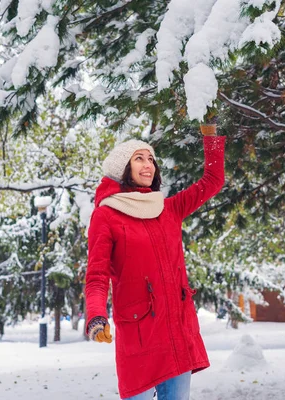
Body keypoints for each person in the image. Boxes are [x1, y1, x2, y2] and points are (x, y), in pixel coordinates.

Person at [85, 124, 225, 400]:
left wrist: (211, 136)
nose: (148, 164)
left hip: (176, 333)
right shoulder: (106, 216)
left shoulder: (168, 209)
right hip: (141, 336)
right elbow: (97, 275)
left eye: (151, 159)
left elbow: (212, 181)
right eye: (139, 158)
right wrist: (96, 317)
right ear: (122, 167)